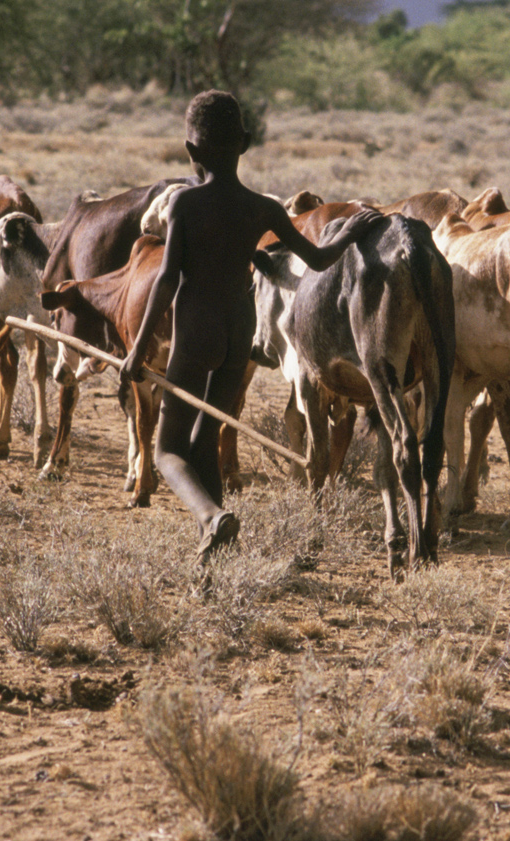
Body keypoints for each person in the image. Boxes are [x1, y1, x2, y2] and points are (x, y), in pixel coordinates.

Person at [119, 91, 379, 558]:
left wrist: (138, 350)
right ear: (245, 143)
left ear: (191, 152)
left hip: (195, 331)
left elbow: (165, 281)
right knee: (205, 440)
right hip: (239, 332)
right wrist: (352, 231)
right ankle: (215, 550)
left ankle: (210, 516)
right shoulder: (264, 208)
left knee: (166, 450)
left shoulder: (184, 205)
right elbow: (318, 259)